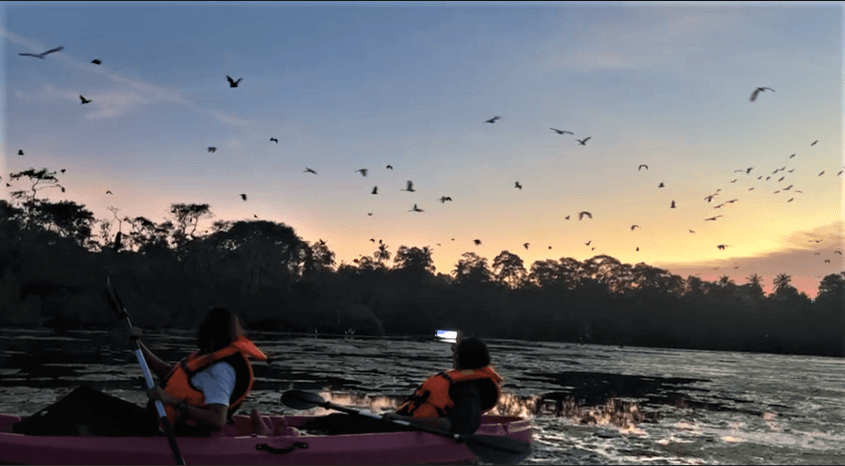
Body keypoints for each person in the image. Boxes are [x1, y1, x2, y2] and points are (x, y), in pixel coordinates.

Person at [9, 306, 268, 437]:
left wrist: (169, 401)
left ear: (210, 330)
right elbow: (167, 373)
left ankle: (23, 436)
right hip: (155, 420)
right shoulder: (206, 359)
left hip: (168, 431)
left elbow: (217, 419)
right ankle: (30, 429)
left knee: (83, 401)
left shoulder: (220, 370)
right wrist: (137, 344)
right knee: (84, 396)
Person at [299, 333, 503, 436]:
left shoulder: (468, 390)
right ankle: (295, 430)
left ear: (462, 357)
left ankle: (294, 438)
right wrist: (398, 418)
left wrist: (400, 419)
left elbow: (451, 425)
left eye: (455, 352)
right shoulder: (461, 383)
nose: (453, 357)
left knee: (337, 423)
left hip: (413, 431)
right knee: (336, 420)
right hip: (403, 425)